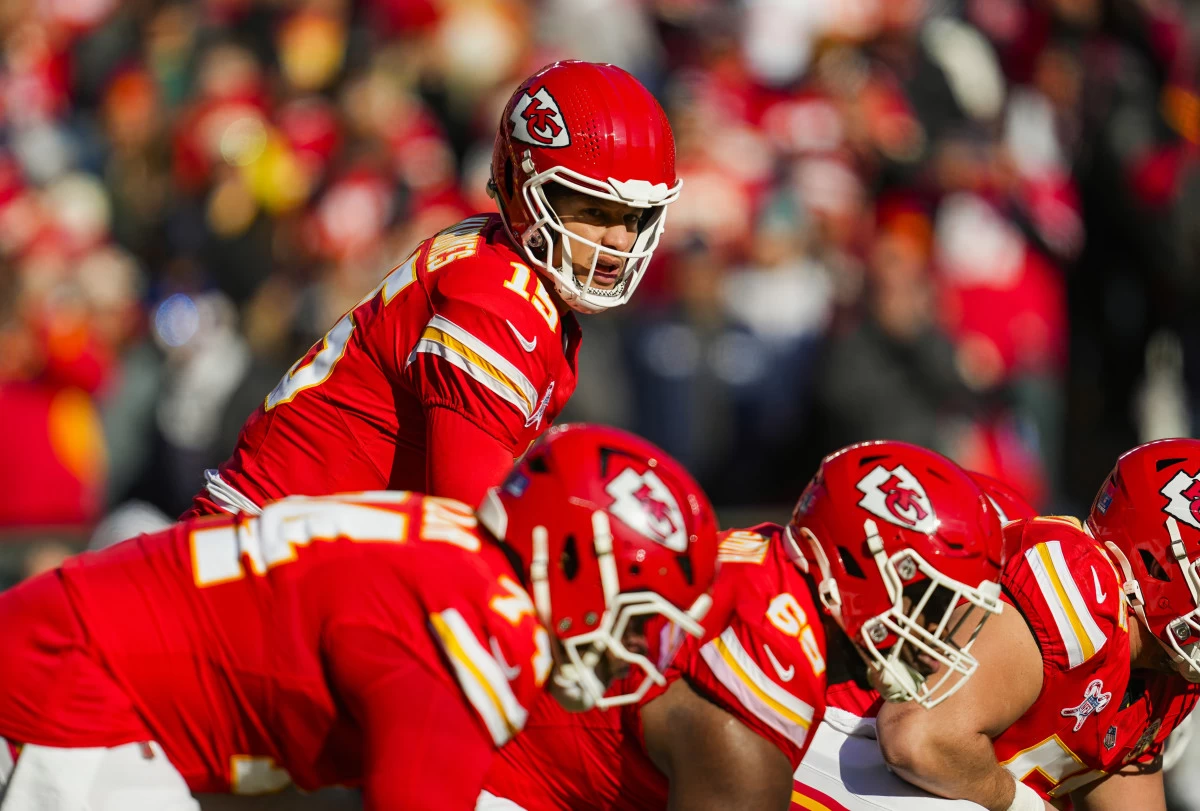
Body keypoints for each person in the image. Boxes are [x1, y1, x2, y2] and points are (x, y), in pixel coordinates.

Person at [0, 424, 718, 811]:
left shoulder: (455, 550)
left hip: (65, 657)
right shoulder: (480, 629)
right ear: (571, 560)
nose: (638, 652)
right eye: (639, 620)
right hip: (71, 689)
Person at [183, 60, 681, 518]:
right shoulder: (497, 303)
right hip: (269, 549)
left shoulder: (500, 261)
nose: (620, 241)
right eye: (595, 211)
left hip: (298, 535)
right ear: (523, 187)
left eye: (634, 217)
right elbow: (469, 529)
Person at [478, 440, 1006, 811]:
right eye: (932, 602)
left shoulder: (768, 558)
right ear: (856, 567)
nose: (940, 633)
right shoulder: (763, 684)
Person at [874, 438, 1200, 811]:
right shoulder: (1080, 589)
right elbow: (917, 739)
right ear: (1155, 564)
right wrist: (1027, 806)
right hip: (847, 773)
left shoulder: (1168, 675)